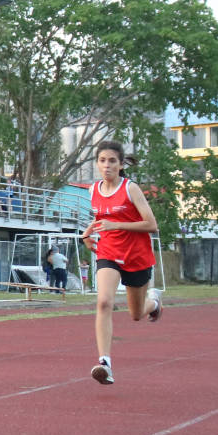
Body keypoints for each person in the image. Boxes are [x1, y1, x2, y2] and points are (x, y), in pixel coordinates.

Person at [82, 140, 161, 385]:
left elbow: (152, 225)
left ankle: (154, 302)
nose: (107, 165)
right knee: (104, 302)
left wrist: (117, 224)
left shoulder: (130, 189)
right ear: (97, 163)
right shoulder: (92, 190)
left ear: (120, 163)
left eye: (112, 161)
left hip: (136, 255)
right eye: (102, 160)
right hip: (108, 251)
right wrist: (88, 232)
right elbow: (100, 217)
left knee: (136, 314)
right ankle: (104, 363)